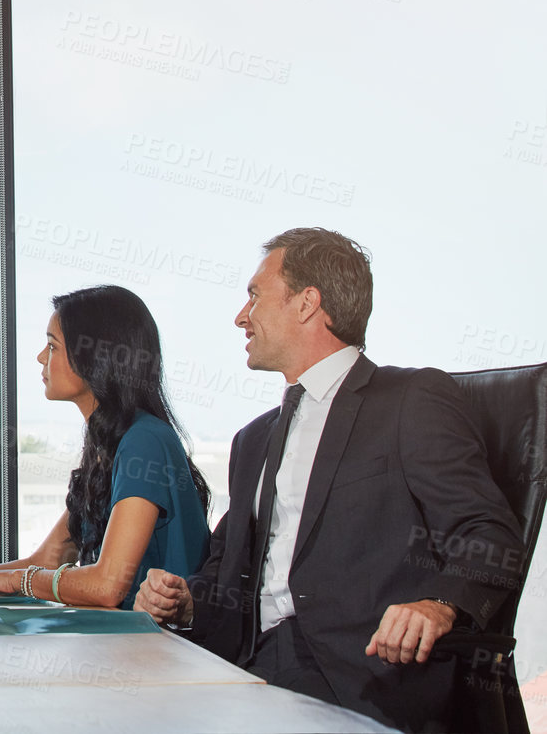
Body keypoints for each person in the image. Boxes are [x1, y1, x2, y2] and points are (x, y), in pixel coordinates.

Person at [135, 228, 523, 733]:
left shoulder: (410, 400)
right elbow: (224, 570)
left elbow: (490, 536)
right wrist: (186, 602)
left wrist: (439, 604)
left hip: (360, 676)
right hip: (246, 667)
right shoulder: (253, 440)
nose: (240, 316)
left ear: (307, 303)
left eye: (254, 295)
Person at [0, 285, 210, 609]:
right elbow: (46, 561)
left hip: (165, 657)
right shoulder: (110, 445)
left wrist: (22, 580)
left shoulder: (144, 441)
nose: (39, 357)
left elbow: (107, 585)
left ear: (95, 358)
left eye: (53, 346)